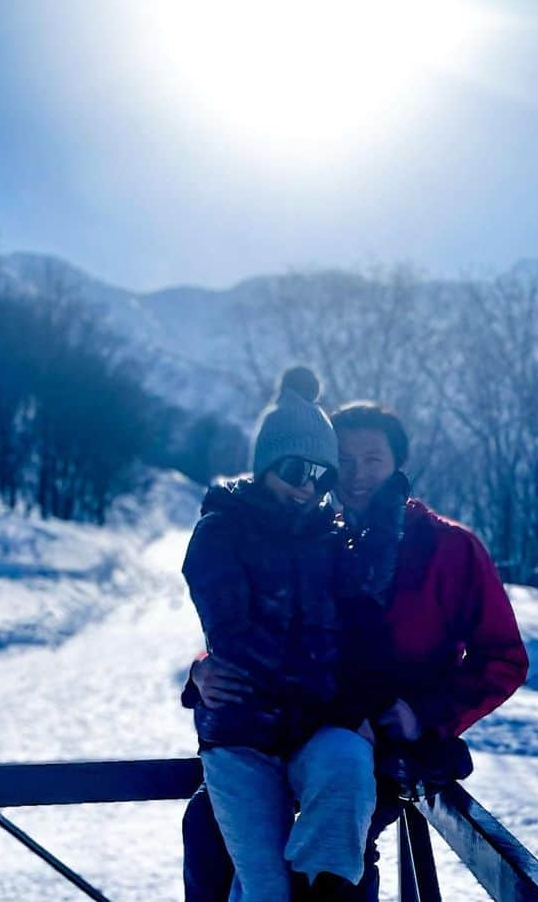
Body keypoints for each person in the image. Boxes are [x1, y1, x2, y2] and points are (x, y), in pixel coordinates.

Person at [183, 401, 530, 901]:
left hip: (371, 748)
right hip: (301, 732)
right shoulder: (324, 537)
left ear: (397, 465)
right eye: (343, 461)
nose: (355, 474)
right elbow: (259, 630)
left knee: (331, 863)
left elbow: (502, 658)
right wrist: (201, 671)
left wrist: (423, 714)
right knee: (208, 828)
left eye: (373, 459)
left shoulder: (444, 546)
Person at [182, 368, 380, 902]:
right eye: (296, 469)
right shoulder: (220, 531)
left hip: (312, 730)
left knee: (348, 775)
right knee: (264, 885)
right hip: (243, 733)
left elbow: (357, 635)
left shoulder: (331, 536)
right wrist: (200, 674)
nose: (306, 487)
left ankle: (320, 891)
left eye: (321, 475)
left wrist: (356, 707)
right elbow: (237, 637)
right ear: (268, 462)